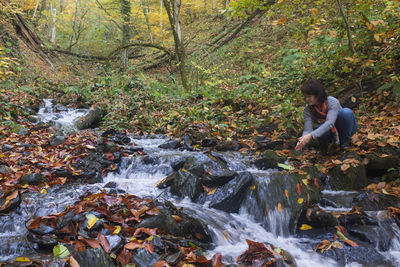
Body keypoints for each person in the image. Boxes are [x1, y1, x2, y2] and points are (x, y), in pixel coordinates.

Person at [295, 79, 358, 152]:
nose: (307, 99)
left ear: (317, 95)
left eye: (309, 96)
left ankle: (344, 143)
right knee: (321, 127)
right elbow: (307, 130)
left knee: (346, 112)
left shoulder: (331, 101)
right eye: (305, 97)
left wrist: (311, 136)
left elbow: (330, 123)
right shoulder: (307, 110)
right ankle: (325, 147)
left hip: (344, 127)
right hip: (327, 133)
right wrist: (302, 140)